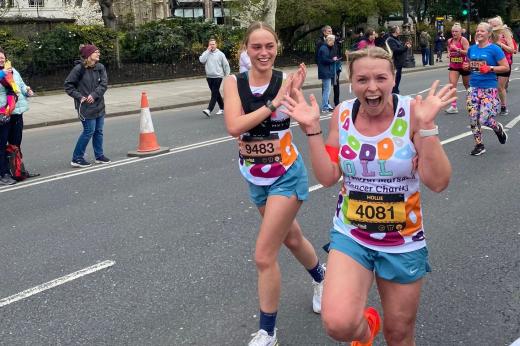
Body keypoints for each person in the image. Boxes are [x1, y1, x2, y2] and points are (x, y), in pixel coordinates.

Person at [281, 46, 456, 346]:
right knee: (339, 324)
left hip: (403, 240)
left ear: (393, 79)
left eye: (380, 78)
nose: (372, 87)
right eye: (362, 79)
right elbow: (327, 176)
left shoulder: (414, 113)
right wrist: (311, 129)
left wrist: (427, 128)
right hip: (352, 234)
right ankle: (365, 333)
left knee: (399, 334)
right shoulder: (343, 113)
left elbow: (437, 182)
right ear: (352, 81)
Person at [223, 21, 326, 346]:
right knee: (292, 238)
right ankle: (321, 278)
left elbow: (305, 118)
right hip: (254, 176)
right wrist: (272, 103)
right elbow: (234, 125)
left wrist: (294, 97)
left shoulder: (286, 81)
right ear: (246, 49)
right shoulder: (233, 83)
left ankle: (268, 332)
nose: (264, 53)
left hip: (286, 174)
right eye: (256, 47)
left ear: (276, 47)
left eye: (269, 46)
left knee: (264, 255)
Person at [463, 22, 509, 156]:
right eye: (477, 31)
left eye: (482, 31)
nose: (478, 33)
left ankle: (497, 127)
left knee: (484, 119)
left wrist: (490, 68)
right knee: (473, 118)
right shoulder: (472, 49)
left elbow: (505, 67)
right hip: (473, 88)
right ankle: (479, 145)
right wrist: (467, 66)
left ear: (489, 34)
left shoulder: (494, 49)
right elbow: (469, 65)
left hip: (488, 89)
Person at [64, 43, 110, 168]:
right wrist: (80, 97)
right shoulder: (79, 69)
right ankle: (77, 158)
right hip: (85, 107)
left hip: (99, 104)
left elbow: (104, 84)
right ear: (89, 55)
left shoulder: (100, 67)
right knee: (89, 131)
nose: (98, 54)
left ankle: (99, 156)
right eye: (96, 52)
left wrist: (94, 95)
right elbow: (68, 86)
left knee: (98, 131)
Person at [0, 49, 38, 185]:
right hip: (3, 114)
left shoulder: (12, 70)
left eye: (2, 57)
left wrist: (27, 90)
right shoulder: (2, 73)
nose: (1, 59)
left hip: (17, 113)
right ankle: (3, 174)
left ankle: (17, 171)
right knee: (1, 145)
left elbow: (21, 85)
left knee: (16, 145)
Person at [488, 16, 515, 116]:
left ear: (500, 25)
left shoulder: (505, 33)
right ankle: (491, 106)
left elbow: (512, 50)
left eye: (495, 25)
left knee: (500, 87)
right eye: (491, 26)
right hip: (491, 64)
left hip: (504, 63)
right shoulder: (488, 34)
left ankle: (503, 106)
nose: (493, 28)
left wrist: (500, 44)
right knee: (490, 86)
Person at [199, 38, 230, 117]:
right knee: (216, 93)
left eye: (213, 44)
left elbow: (226, 64)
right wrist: (207, 51)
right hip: (209, 76)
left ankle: (209, 109)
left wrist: (227, 75)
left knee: (214, 93)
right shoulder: (206, 53)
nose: (212, 46)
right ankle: (222, 108)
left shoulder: (220, 54)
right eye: (210, 44)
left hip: (218, 76)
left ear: (216, 45)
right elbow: (202, 60)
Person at [445, 23, 470, 114]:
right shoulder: (449, 40)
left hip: (464, 66)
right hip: (454, 66)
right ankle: (454, 106)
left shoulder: (463, 40)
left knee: (467, 85)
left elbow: (468, 52)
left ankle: (470, 103)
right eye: (453, 31)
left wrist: (457, 49)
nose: (454, 33)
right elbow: (448, 48)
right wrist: (448, 53)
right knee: (452, 86)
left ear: (460, 32)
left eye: (456, 31)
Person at [386, 25, 412, 94]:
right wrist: (405, 47)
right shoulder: (390, 40)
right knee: (395, 79)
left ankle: (395, 92)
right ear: (394, 31)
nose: (399, 30)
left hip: (399, 63)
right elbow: (396, 50)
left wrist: (405, 46)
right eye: (398, 29)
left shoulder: (396, 39)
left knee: (397, 79)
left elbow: (400, 48)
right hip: (395, 62)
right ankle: (393, 93)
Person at [318, 34, 337, 113]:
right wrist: (333, 60)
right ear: (329, 40)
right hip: (325, 71)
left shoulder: (325, 47)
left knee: (327, 89)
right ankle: (325, 107)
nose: (333, 43)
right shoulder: (324, 48)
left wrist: (332, 59)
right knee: (327, 90)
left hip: (325, 71)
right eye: (333, 41)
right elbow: (325, 60)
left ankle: (326, 105)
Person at [331, 34, 343, 107]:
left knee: (336, 84)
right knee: (327, 86)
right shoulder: (324, 44)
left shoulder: (336, 43)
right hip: (329, 66)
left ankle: (337, 102)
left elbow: (338, 53)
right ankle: (326, 104)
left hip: (336, 65)